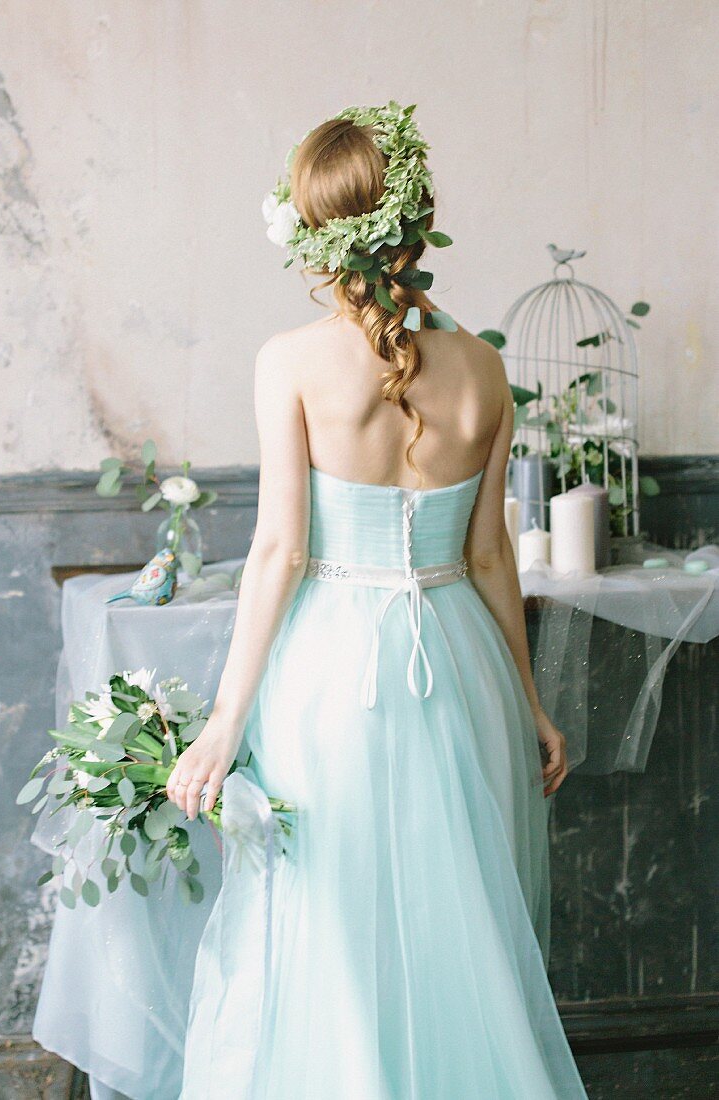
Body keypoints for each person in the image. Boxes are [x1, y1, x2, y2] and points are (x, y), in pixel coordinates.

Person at [167, 101, 588, 1099]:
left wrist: (224, 722)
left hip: (330, 671)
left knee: (330, 928)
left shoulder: (290, 362)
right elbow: (490, 556)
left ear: (317, 232)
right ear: (418, 220)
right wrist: (526, 703)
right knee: (457, 924)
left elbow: (279, 548)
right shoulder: (486, 369)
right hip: (460, 663)